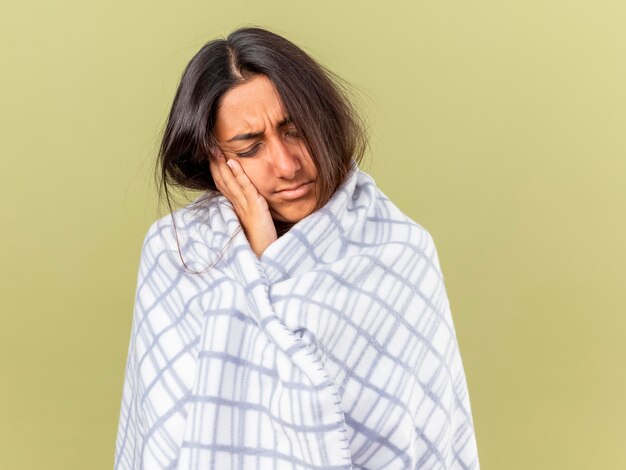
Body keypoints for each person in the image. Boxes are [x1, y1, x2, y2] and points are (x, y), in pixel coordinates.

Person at [114, 27, 480, 470]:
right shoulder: (178, 252)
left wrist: (271, 259)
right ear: (215, 159)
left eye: (295, 130)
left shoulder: (399, 251)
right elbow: (162, 439)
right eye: (250, 147)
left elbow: (426, 440)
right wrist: (262, 252)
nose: (287, 166)